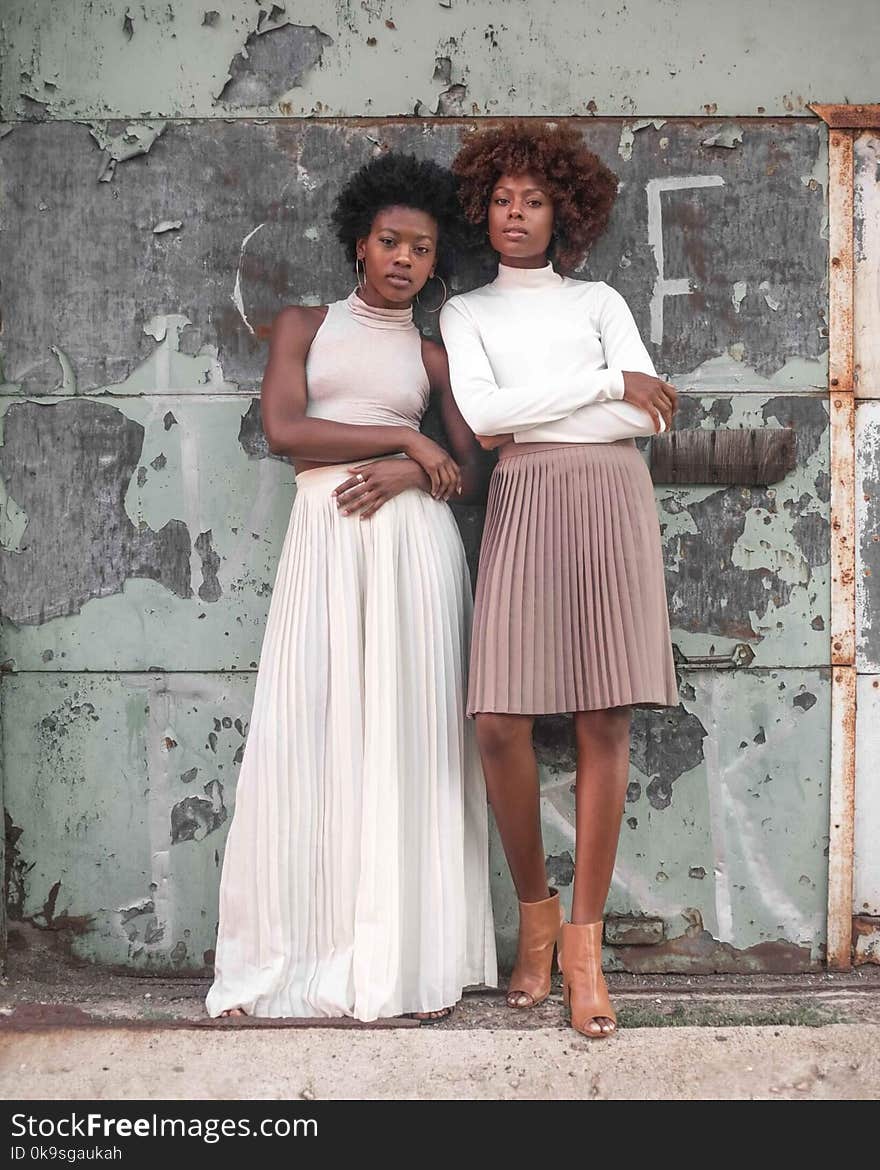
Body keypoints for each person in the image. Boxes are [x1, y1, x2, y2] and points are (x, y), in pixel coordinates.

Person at [206, 152, 497, 1022]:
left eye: (421, 249)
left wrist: (416, 475)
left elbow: (472, 470)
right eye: (389, 242)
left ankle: (408, 955)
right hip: (327, 542)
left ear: (434, 262)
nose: (405, 259)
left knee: (411, 742)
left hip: (412, 551)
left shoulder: (432, 354)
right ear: (359, 245)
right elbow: (288, 431)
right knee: (317, 727)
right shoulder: (302, 324)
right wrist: (405, 445)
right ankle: (314, 945)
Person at [439, 122, 678, 1039]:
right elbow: (491, 420)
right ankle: (533, 917)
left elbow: (647, 417)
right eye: (502, 200)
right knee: (499, 718)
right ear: (482, 209)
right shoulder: (467, 314)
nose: (515, 214)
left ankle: (584, 949)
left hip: (611, 500)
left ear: (562, 212)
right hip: (526, 498)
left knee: (601, 717)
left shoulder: (601, 298)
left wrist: (604, 392)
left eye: (533, 200)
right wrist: (596, 385)